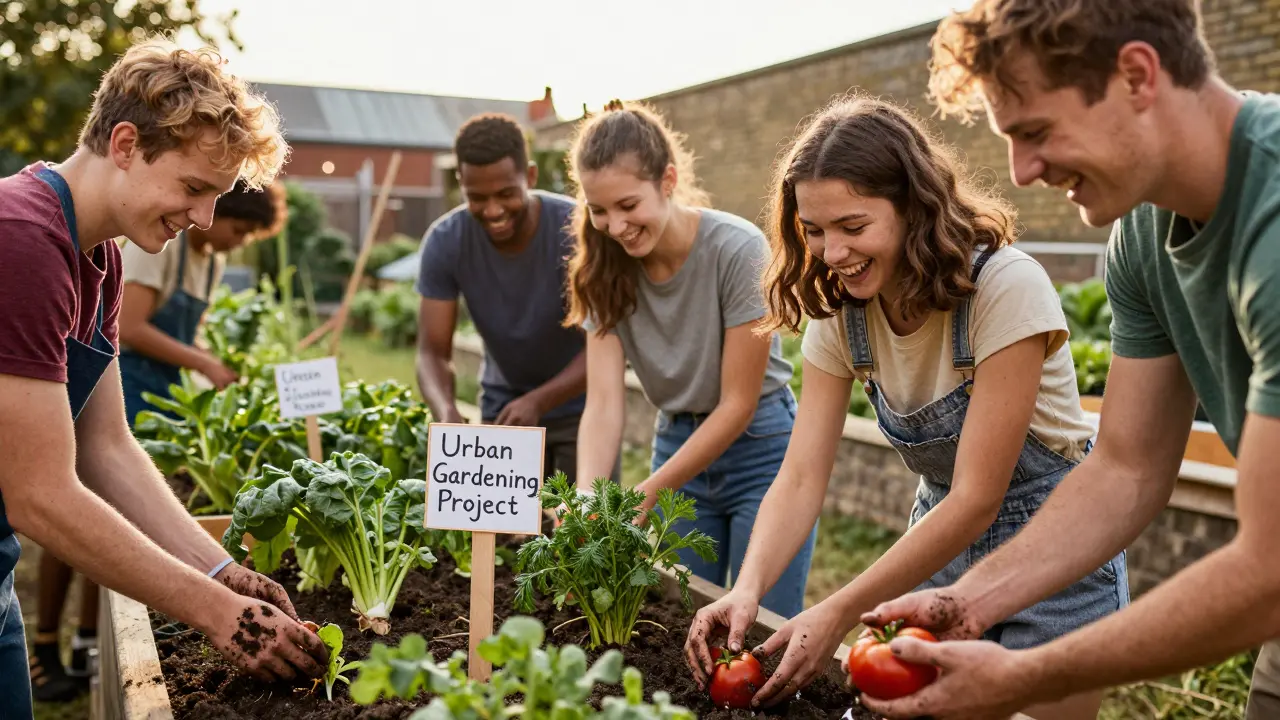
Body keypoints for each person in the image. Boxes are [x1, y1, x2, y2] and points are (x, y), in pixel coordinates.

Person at [849, 2, 1280, 719]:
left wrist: (1027, 675)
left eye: (1036, 132)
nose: (1020, 173)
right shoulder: (1142, 233)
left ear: (1138, 75)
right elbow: (1125, 468)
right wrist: (969, 602)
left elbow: (1269, 569)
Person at [680, 95, 1127, 718]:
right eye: (814, 231)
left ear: (914, 208)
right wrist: (747, 588)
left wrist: (836, 611)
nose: (832, 252)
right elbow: (803, 473)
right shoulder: (842, 313)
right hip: (940, 540)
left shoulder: (1002, 287)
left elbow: (980, 496)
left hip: (1057, 552)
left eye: (853, 227)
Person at [0, 38, 328, 718]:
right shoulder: (21, 239)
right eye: (193, 188)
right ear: (125, 144)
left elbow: (107, 448)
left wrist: (222, 570)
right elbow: (38, 493)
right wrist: (217, 613)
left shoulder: (102, 262)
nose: (205, 218)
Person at [24, 178, 288, 703]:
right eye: (237, 226)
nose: (226, 234)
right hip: (127, 387)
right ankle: (47, 644)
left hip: (151, 401)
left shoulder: (188, 259)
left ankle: (84, 642)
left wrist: (220, 569)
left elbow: (111, 446)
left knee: (109, 513)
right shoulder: (144, 247)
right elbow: (134, 329)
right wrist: (205, 363)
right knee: (77, 507)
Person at [562, 100, 814, 619]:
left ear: (668, 180)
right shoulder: (602, 270)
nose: (615, 225)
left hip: (762, 453)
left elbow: (738, 403)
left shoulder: (736, 248)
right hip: (677, 444)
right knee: (675, 618)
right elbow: (605, 402)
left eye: (628, 205)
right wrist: (588, 497)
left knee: (762, 622)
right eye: (599, 209)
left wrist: (647, 493)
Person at [415, 112, 618, 486]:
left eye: (506, 194)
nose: (493, 210)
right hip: (503, 411)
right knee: (503, 542)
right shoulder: (446, 241)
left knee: (583, 538)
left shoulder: (578, 231)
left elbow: (607, 343)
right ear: (460, 182)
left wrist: (539, 400)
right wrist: (445, 409)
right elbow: (431, 353)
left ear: (530, 176)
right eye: (476, 197)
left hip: (585, 412)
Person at [119, 178, 286, 423]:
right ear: (214, 210)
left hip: (167, 385)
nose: (240, 242)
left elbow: (186, 335)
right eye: (238, 230)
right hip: (124, 382)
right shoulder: (161, 244)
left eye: (249, 236)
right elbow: (128, 327)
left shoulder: (212, 263)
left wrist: (216, 362)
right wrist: (203, 364)